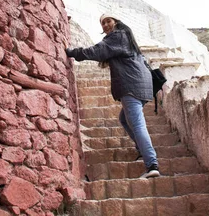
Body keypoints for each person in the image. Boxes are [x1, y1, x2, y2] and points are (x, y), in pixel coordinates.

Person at [65, 13, 160, 179]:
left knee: (137, 124)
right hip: (142, 85)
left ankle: (152, 164)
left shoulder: (118, 36)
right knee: (125, 119)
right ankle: (142, 149)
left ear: (116, 21)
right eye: (102, 23)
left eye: (108, 21)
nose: (106, 25)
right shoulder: (126, 37)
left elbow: (98, 51)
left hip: (131, 85)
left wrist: (72, 52)